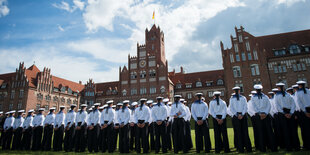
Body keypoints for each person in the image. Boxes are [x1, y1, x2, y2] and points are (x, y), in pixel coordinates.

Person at [251, 84, 277, 152]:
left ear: (256, 90)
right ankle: (272, 148)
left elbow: (255, 107)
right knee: (269, 131)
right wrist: (265, 113)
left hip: (260, 116)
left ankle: (263, 148)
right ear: (261, 90)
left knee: (261, 132)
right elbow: (268, 106)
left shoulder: (253, 97)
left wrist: (261, 114)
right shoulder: (265, 96)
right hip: (265, 115)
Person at [228, 87, 252, 153]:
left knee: (245, 132)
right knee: (238, 133)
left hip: (242, 116)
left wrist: (242, 114)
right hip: (237, 116)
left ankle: (248, 148)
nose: (236, 91)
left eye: (237, 90)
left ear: (239, 91)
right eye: (235, 91)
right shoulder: (232, 99)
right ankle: (240, 148)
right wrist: (237, 114)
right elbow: (231, 107)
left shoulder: (243, 98)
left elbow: (245, 107)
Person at [274, 83, 296, 151]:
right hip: (290, 113)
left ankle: (288, 147)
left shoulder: (277, 96)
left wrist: (284, 113)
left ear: (278, 88)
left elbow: (277, 106)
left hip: (283, 114)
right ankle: (295, 146)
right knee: (292, 130)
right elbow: (293, 105)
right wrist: (291, 113)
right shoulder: (289, 95)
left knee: (285, 131)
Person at [295, 81, 310, 150]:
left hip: (304, 112)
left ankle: (307, 145)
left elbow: (299, 103)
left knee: (304, 129)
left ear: (299, 86)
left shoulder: (298, 93)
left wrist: (305, 111)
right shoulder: (308, 90)